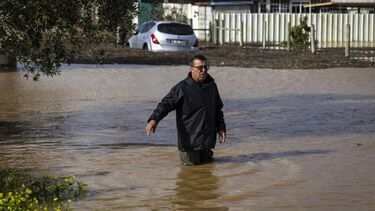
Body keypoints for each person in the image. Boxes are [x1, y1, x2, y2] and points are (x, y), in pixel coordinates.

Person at [145, 54, 226, 166]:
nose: (203, 70)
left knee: (208, 175)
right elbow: (165, 105)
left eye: (206, 67)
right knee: (189, 177)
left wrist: (221, 128)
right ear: (191, 69)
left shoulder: (212, 87)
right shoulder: (182, 88)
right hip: (189, 144)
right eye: (199, 68)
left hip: (207, 142)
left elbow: (218, 109)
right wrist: (154, 120)